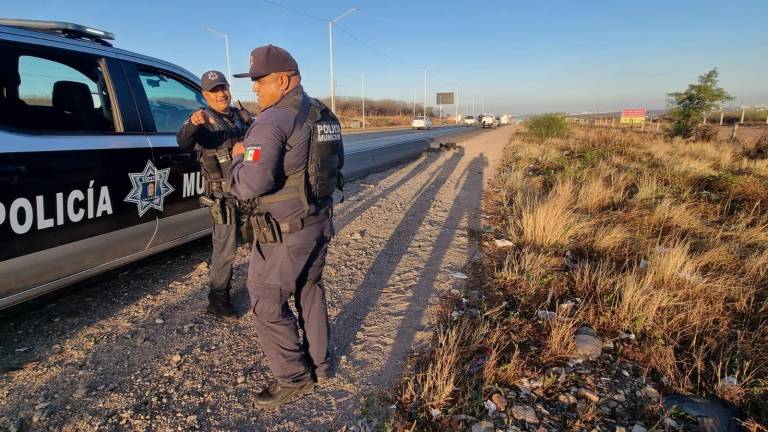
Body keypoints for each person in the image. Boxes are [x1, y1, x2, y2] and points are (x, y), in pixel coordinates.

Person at [229, 45, 344, 408]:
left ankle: (293, 377)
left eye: (259, 81)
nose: (255, 89)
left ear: (283, 79)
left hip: (285, 231)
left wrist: (234, 162)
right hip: (318, 221)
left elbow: (251, 183)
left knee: (265, 301)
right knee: (309, 289)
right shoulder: (321, 113)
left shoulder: (273, 119)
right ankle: (321, 365)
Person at [177, 70, 253, 322]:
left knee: (262, 240)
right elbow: (184, 141)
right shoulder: (202, 121)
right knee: (226, 250)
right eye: (214, 90)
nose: (221, 94)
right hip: (224, 196)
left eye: (224, 88)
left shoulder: (241, 116)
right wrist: (193, 124)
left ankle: (265, 287)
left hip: (250, 191)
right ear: (205, 94)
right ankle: (218, 299)